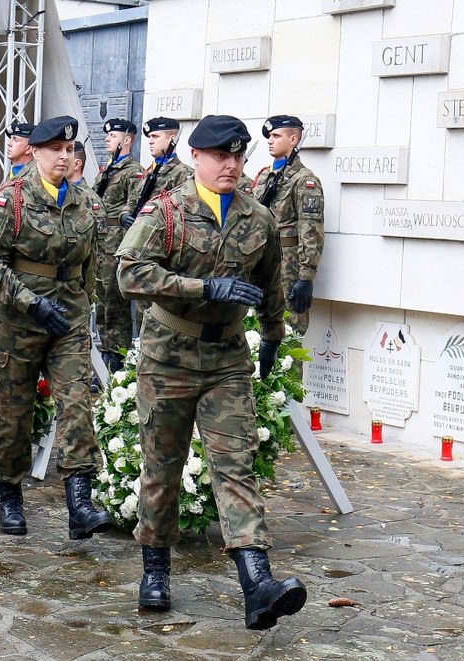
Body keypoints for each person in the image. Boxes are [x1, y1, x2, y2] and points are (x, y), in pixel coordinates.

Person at [115, 115, 306, 629]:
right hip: (169, 356)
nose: (231, 165)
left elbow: (271, 284)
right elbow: (129, 272)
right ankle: (155, 570)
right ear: (196, 157)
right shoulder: (167, 210)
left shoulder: (257, 217)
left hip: (227, 362)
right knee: (163, 467)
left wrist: (271, 336)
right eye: (221, 156)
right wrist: (202, 289)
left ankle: (256, 585)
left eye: (238, 157)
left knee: (235, 466)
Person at [0, 115, 112, 539]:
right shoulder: (11, 200)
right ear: (35, 152)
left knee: (76, 405)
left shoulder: (87, 203)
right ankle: (10, 496)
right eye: (55, 149)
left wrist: (82, 303)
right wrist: (31, 303)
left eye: (69, 150)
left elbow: (92, 263)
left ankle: (79, 504)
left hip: (67, 321)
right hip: (16, 324)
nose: (64, 157)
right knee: (13, 416)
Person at [118, 117, 193, 334]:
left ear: (172, 138)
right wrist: (125, 215)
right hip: (143, 247)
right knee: (143, 305)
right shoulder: (149, 171)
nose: (150, 141)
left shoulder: (183, 174)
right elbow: (133, 200)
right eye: (149, 137)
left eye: (155, 137)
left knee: (160, 309)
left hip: (165, 249)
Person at [252, 115, 324, 336]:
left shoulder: (304, 181)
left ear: (293, 139)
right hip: (259, 262)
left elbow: (311, 230)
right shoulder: (265, 176)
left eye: (276, 135)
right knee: (255, 329)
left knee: (288, 336)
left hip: (287, 267)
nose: (270, 141)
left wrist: (305, 277)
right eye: (269, 136)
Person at [92, 118, 143, 372]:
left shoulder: (134, 172)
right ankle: (104, 348)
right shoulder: (106, 169)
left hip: (116, 240)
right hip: (100, 239)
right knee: (101, 297)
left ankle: (117, 354)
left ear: (127, 139)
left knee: (115, 298)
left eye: (113, 135)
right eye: (108, 135)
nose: (107, 139)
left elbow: (133, 204)